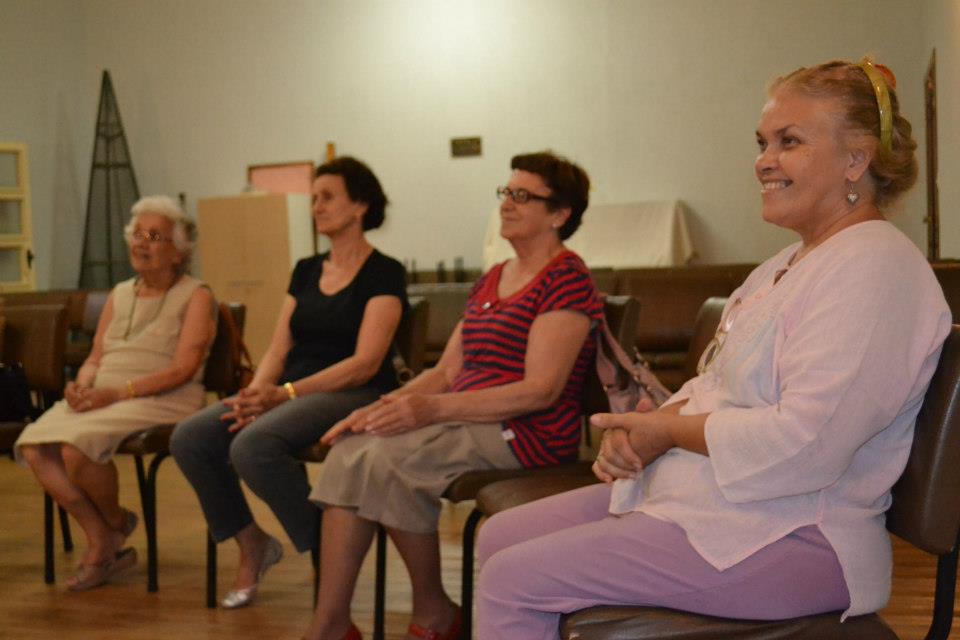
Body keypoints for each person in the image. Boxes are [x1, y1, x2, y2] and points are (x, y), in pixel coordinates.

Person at [474, 58, 953, 639]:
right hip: (724, 504)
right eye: (762, 142)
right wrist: (644, 432)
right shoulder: (787, 263)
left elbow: (808, 444)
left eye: (789, 141)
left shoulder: (875, 267)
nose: (763, 160)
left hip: (802, 534)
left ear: (857, 159)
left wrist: (668, 433)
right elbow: (714, 385)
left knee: (513, 579)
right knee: (499, 537)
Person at [299, 151, 603, 640]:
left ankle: (435, 612)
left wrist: (430, 409)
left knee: (390, 461)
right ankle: (329, 624)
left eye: (523, 196)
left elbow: (541, 390)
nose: (507, 203)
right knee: (349, 451)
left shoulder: (566, 278)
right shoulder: (492, 279)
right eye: (506, 192)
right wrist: (373, 411)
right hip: (466, 418)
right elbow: (445, 372)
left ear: (560, 214)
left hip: (525, 432)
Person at [170, 156, 407, 609]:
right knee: (191, 437)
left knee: (252, 446)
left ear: (360, 206)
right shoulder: (306, 269)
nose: (316, 206)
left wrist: (285, 394)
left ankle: (330, 552)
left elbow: (365, 362)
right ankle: (252, 544)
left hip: (353, 392)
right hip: (292, 391)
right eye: (313, 198)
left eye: (328, 197)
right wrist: (254, 394)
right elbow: (279, 349)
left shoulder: (384, 272)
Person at [17, 195, 216, 591]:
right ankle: (106, 533)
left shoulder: (197, 295)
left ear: (179, 252)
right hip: (107, 395)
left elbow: (183, 368)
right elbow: (95, 357)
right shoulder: (120, 293)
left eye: (153, 236)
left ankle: (107, 536)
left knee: (76, 448)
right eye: (136, 234)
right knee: (35, 447)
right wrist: (82, 384)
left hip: (165, 397)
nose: (140, 243)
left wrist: (116, 393)